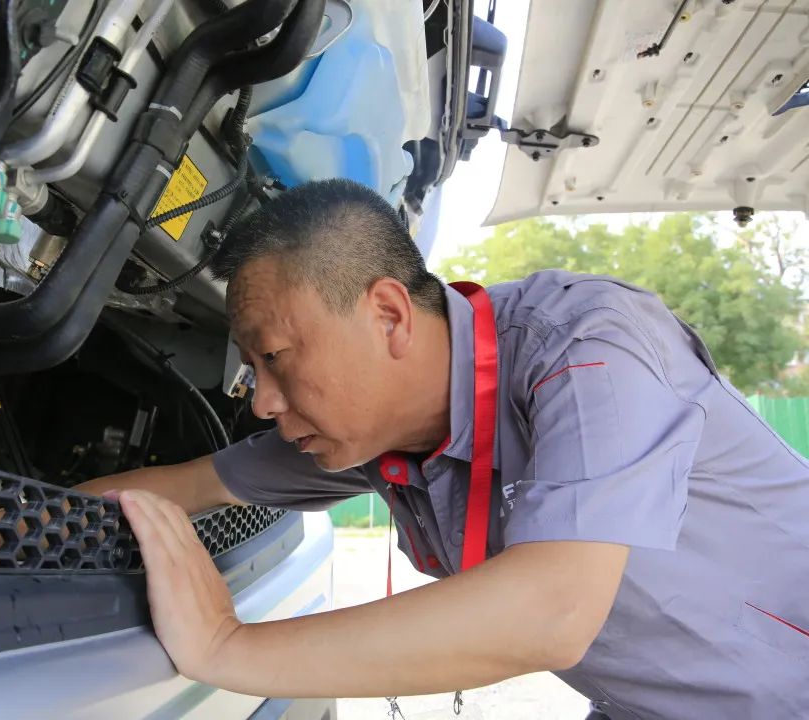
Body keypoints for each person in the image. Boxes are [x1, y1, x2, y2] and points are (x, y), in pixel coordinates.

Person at [76, 179, 809, 719]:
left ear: (388, 315)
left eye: (274, 358)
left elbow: (553, 611)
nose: (263, 403)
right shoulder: (364, 433)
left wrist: (224, 647)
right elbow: (182, 486)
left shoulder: (587, 346)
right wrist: (23, 518)